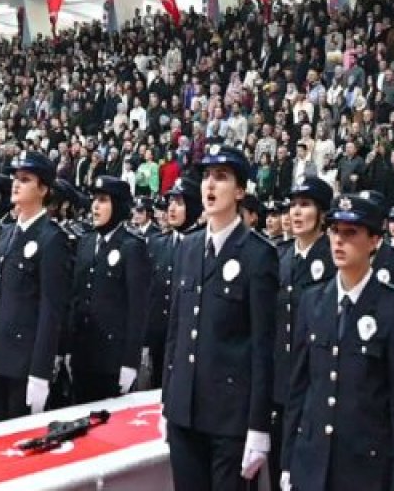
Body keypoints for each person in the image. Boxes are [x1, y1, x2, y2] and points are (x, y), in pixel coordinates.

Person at [281, 193, 394, 490]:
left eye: (351, 233)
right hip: (311, 462)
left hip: (364, 468)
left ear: (374, 241)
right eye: (334, 232)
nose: (339, 241)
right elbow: (300, 389)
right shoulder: (313, 300)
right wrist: (288, 461)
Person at [162, 145, 278, 490]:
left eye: (222, 177)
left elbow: (262, 348)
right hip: (185, 412)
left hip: (230, 418)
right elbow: (176, 331)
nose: (210, 186)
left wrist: (258, 426)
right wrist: (169, 400)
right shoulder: (189, 247)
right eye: (207, 177)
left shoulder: (258, 255)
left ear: (240, 190)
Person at [0, 150, 73, 420]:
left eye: (25, 179)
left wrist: (40, 372)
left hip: (23, 362)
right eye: (15, 178)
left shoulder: (51, 238)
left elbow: (50, 309)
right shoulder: (6, 233)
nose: (16, 184)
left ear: (43, 189)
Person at [271, 176, 336, 490]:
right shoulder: (279, 256)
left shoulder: (333, 258)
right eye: (293, 205)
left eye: (305, 205)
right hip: (279, 379)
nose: (296, 213)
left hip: (315, 379)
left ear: (322, 214)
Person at [66, 175, 151, 403]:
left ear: (118, 205)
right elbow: (76, 298)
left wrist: (130, 362)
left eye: (103, 200)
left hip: (112, 359)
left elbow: (138, 309)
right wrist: (67, 347)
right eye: (94, 199)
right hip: (82, 353)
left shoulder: (132, 246)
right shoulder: (85, 241)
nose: (95, 206)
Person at [144, 175, 201, 390]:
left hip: (191, 343)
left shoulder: (203, 246)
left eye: (179, 203)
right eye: (170, 203)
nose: (172, 209)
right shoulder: (157, 244)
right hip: (160, 340)